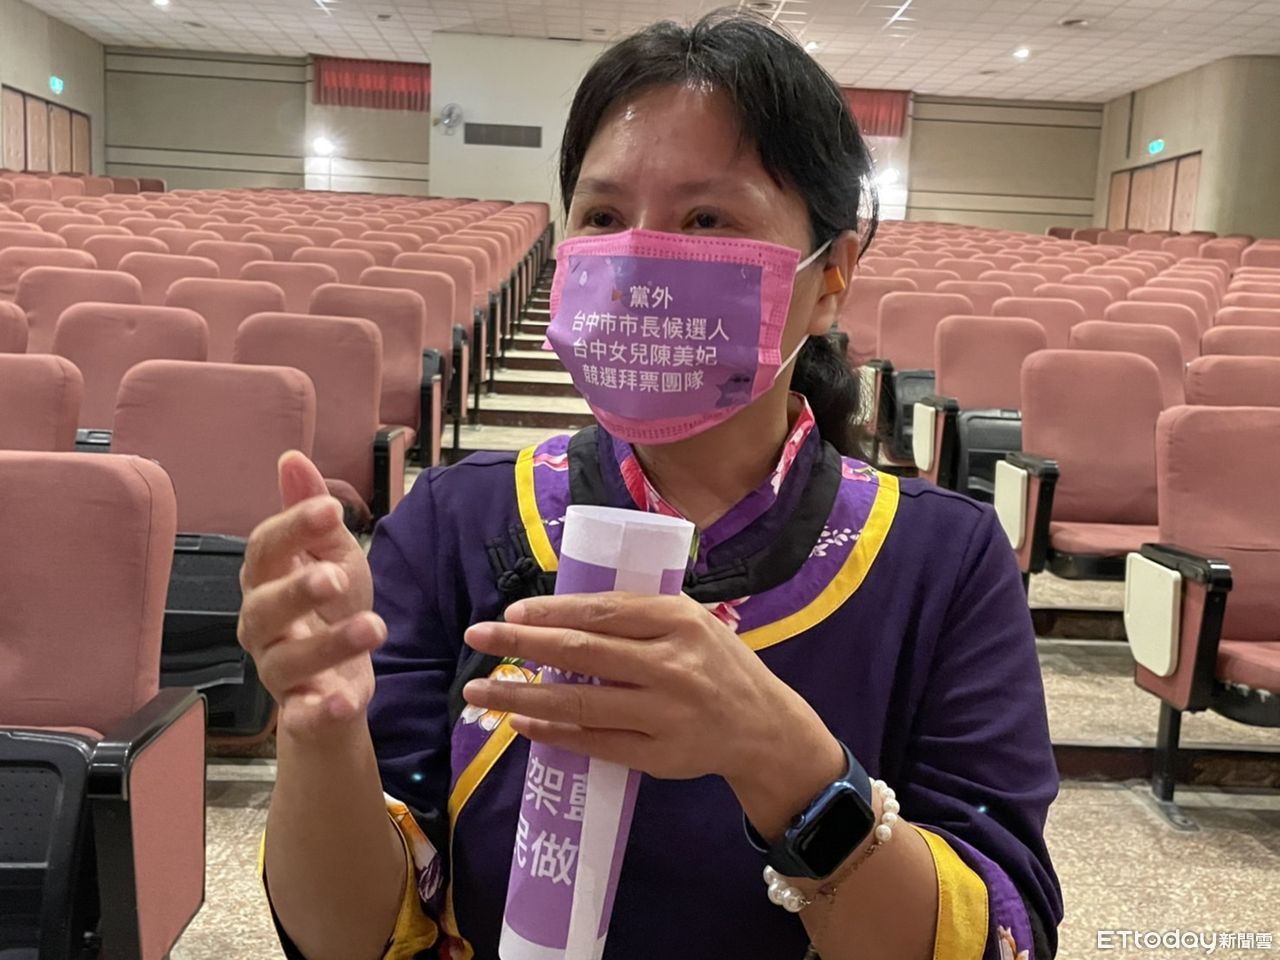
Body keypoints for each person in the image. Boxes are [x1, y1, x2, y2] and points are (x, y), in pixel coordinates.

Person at [239, 10, 1062, 960]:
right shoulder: (456, 523)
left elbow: (1004, 934)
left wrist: (781, 759)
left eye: (707, 219)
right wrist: (319, 736)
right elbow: (347, 936)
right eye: (602, 217)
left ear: (831, 275)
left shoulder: (941, 562)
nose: (639, 261)